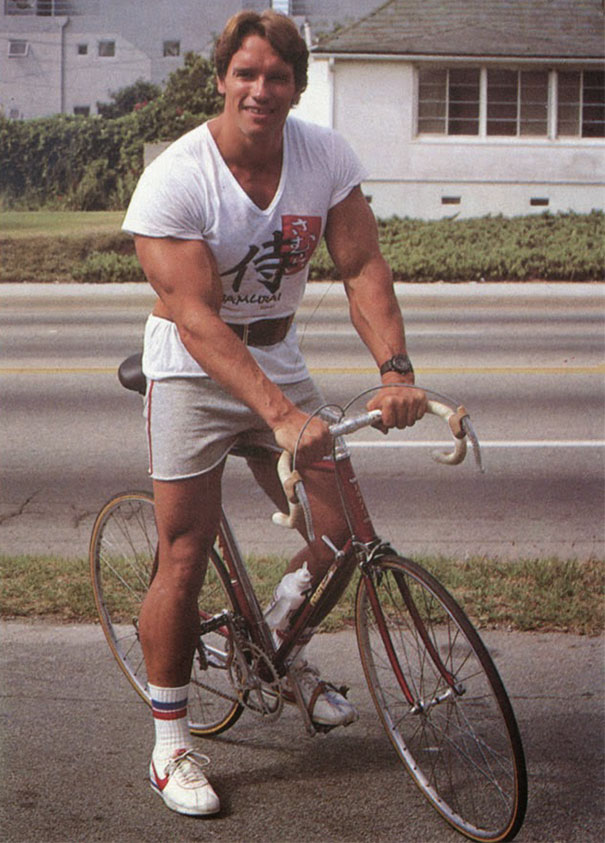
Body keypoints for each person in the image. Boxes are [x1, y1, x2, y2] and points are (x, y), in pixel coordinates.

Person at [122, 8, 426, 818]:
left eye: (278, 76)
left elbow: (360, 263)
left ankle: (267, 644)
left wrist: (394, 370)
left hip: (279, 351)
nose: (261, 89)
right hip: (192, 366)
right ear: (220, 78)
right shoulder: (178, 176)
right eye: (246, 73)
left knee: (341, 532)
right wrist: (283, 418)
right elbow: (196, 318)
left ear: (296, 83)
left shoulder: (323, 156)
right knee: (182, 555)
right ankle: (171, 742)